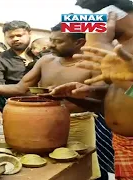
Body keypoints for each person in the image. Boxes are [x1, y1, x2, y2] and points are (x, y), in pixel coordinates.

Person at [0, 22, 104, 179]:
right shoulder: (45, 62)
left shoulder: (93, 65)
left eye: (58, 42)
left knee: (80, 170)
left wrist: (69, 95)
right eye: (51, 40)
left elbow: (100, 103)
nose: (51, 46)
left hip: (79, 124)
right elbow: (19, 88)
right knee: (46, 170)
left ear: (79, 42)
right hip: (44, 123)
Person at [51, 9, 133, 180]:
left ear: (113, 16)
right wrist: (87, 93)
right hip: (121, 144)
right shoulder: (121, 46)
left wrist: (127, 83)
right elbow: (121, 95)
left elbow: (128, 87)